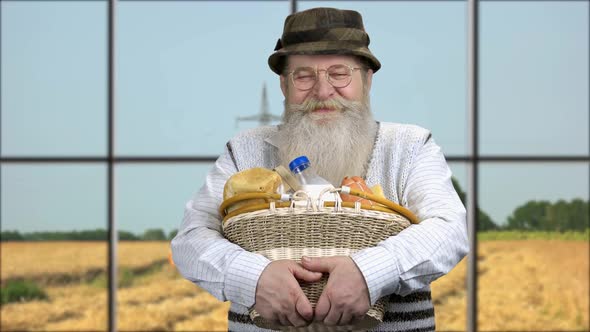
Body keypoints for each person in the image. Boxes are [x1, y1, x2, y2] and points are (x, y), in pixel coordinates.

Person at [172, 7, 469, 332]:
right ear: (284, 85)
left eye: (340, 73)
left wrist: (369, 273)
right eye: (304, 75)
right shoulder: (245, 150)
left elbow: (449, 229)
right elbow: (190, 240)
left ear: (367, 80)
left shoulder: (410, 146)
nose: (323, 91)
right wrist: (253, 279)